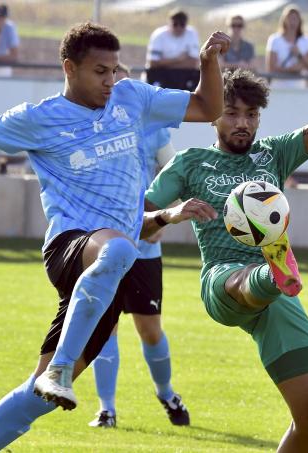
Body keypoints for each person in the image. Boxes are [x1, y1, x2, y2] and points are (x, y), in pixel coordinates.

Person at [0, 22, 229, 453]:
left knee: (37, 398)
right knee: (121, 248)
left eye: (115, 69)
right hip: (70, 246)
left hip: (109, 268)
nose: (110, 80)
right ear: (70, 68)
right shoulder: (39, 118)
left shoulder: (132, 98)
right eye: (100, 71)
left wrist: (207, 63)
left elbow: (209, 106)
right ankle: (60, 370)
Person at [141, 24, 308, 452]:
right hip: (225, 281)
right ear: (214, 114)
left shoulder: (274, 152)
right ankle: (272, 273)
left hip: (279, 298)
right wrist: (170, 214)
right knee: (250, 276)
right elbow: (137, 218)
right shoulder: (191, 162)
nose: (242, 123)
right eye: (232, 113)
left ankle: (274, 274)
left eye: (251, 115)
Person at [87, 63, 188, 429]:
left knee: (150, 330)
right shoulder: (90, 128)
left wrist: (162, 216)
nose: (113, 86)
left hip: (144, 248)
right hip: (103, 245)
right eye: (107, 78)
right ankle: (106, 408)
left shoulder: (152, 129)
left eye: (119, 80)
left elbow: (174, 171)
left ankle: (166, 392)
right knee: (105, 324)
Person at [145, 9, 201, 89]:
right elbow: (152, 63)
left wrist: (164, 63)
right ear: (169, 23)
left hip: (184, 75)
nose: (178, 27)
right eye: (175, 24)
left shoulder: (192, 33)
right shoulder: (158, 35)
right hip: (161, 75)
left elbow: (193, 63)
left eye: (182, 24)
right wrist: (178, 59)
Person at [266, 4, 308, 89]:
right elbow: (271, 68)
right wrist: (291, 70)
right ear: (284, 20)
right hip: (279, 88)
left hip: (298, 88)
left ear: (300, 21)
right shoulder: (275, 40)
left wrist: (299, 55)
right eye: (290, 18)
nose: (292, 22)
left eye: (295, 19)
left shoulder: (305, 40)